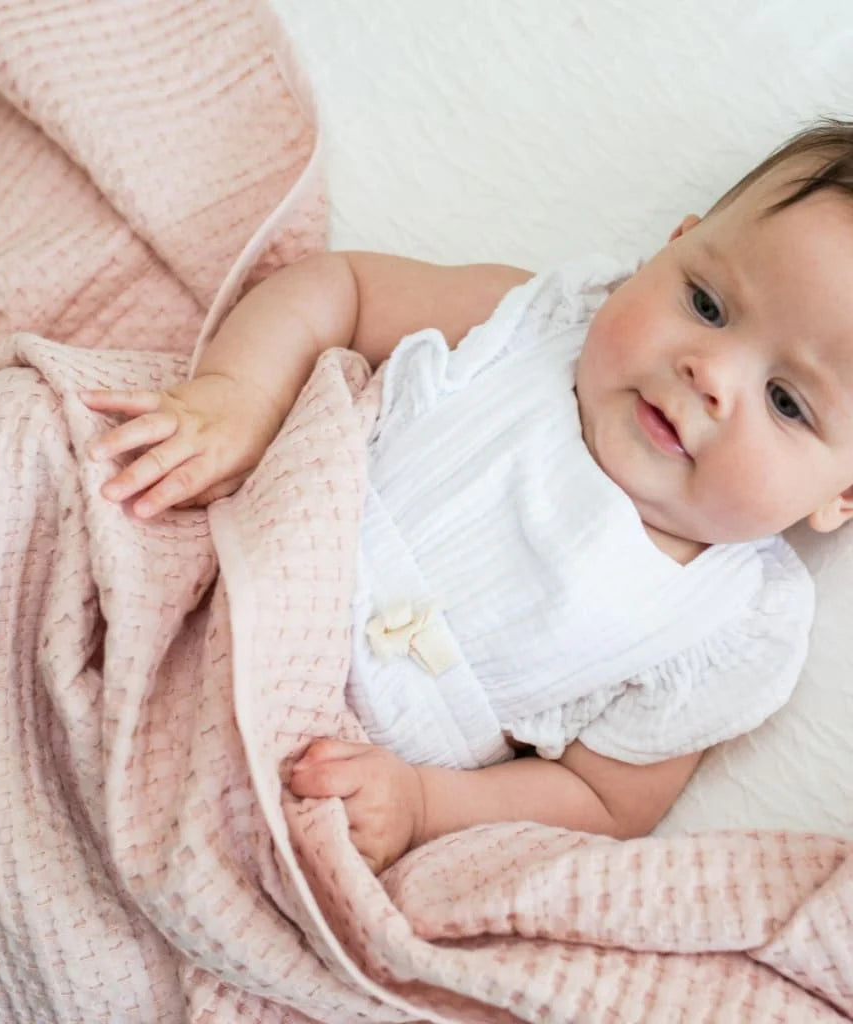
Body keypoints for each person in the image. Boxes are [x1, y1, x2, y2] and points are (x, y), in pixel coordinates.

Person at [81, 119, 853, 873]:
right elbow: (340, 288)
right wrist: (237, 396)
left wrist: (422, 804)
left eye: (787, 402)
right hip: (193, 574)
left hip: (305, 773)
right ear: (673, 247)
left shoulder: (726, 628)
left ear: (841, 495)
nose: (709, 374)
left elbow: (601, 802)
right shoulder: (534, 324)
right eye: (707, 306)